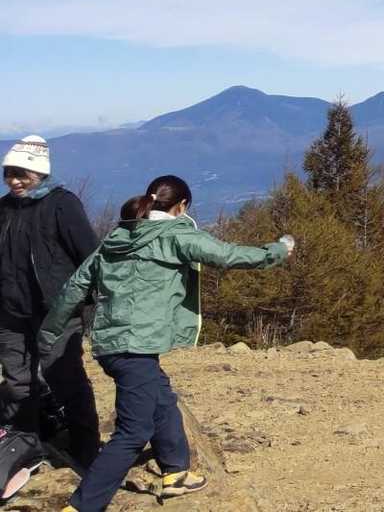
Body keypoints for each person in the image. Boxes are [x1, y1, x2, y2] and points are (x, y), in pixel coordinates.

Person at [39, 175, 292, 512]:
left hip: (111, 344)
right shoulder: (176, 235)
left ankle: (175, 472)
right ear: (182, 206)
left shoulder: (117, 237)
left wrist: (47, 334)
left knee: (161, 397)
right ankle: (81, 506)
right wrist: (279, 250)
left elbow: (74, 287)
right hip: (136, 347)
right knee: (133, 431)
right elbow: (229, 255)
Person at [0, 135, 99, 469]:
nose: (13, 181)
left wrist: (89, 299)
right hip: (10, 313)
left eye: (21, 174)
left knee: (66, 379)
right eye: (8, 173)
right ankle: (23, 446)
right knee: (18, 382)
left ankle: (86, 451)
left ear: (39, 172)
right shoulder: (4, 209)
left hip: (56, 312)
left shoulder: (62, 204)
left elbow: (90, 255)